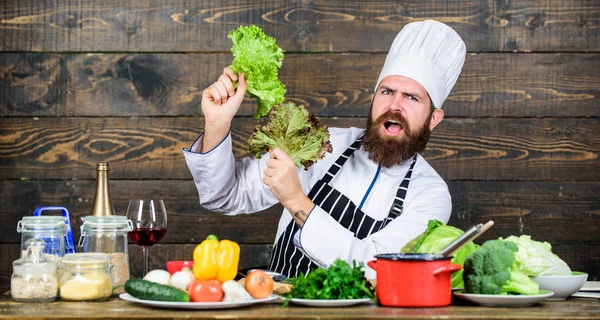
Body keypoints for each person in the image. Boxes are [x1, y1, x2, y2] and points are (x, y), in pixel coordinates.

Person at [183, 20, 466, 279]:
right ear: (373, 100)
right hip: (278, 306)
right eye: (387, 92)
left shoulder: (430, 195)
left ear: (433, 119)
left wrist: (296, 200)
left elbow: (376, 268)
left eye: (412, 97)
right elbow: (222, 196)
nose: (395, 105)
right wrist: (216, 124)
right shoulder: (321, 142)